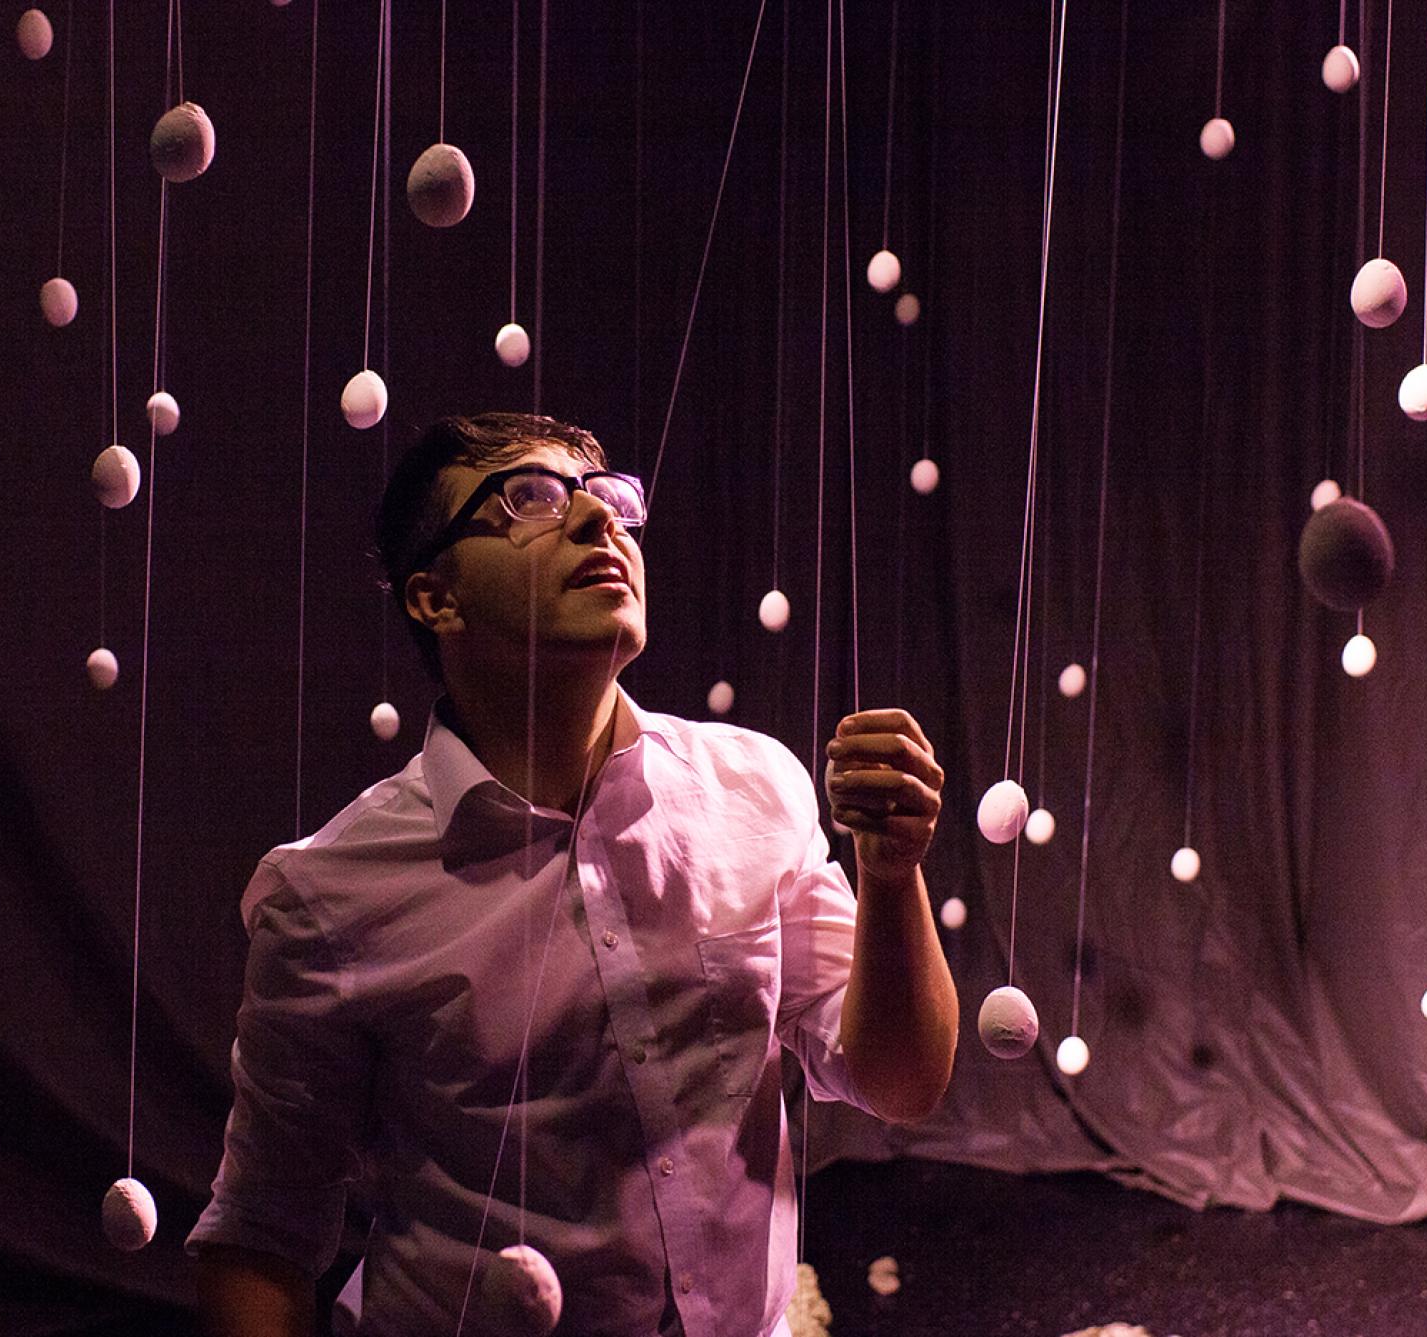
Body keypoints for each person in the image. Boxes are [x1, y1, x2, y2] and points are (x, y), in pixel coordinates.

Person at [186, 411, 959, 1336]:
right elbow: (260, 1240)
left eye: (607, 500)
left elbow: (903, 1080)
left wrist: (893, 870)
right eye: (533, 499)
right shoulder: (333, 894)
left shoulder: (756, 787)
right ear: (436, 597)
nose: (599, 523)